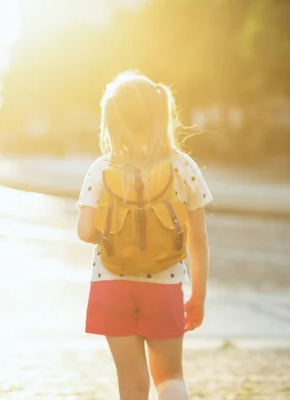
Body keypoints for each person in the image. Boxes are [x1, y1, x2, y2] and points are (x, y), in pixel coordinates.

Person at [76, 71, 212, 400]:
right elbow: (198, 239)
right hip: (164, 287)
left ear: (111, 120)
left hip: (111, 284)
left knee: (132, 386)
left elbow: (84, 232)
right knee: (170, 377)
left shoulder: (101, 169)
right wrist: (198, 297)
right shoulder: (183, 167)